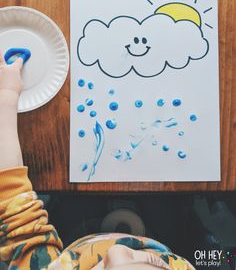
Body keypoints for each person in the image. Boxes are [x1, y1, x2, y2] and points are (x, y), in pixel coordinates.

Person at [0, 51, 195, 270]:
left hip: (76, 232)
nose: (117, 250)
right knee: (175, 210)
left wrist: (5, 96)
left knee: (74, 206)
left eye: (103, 267)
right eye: (143, 262)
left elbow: (11, 196)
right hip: (162, 236)